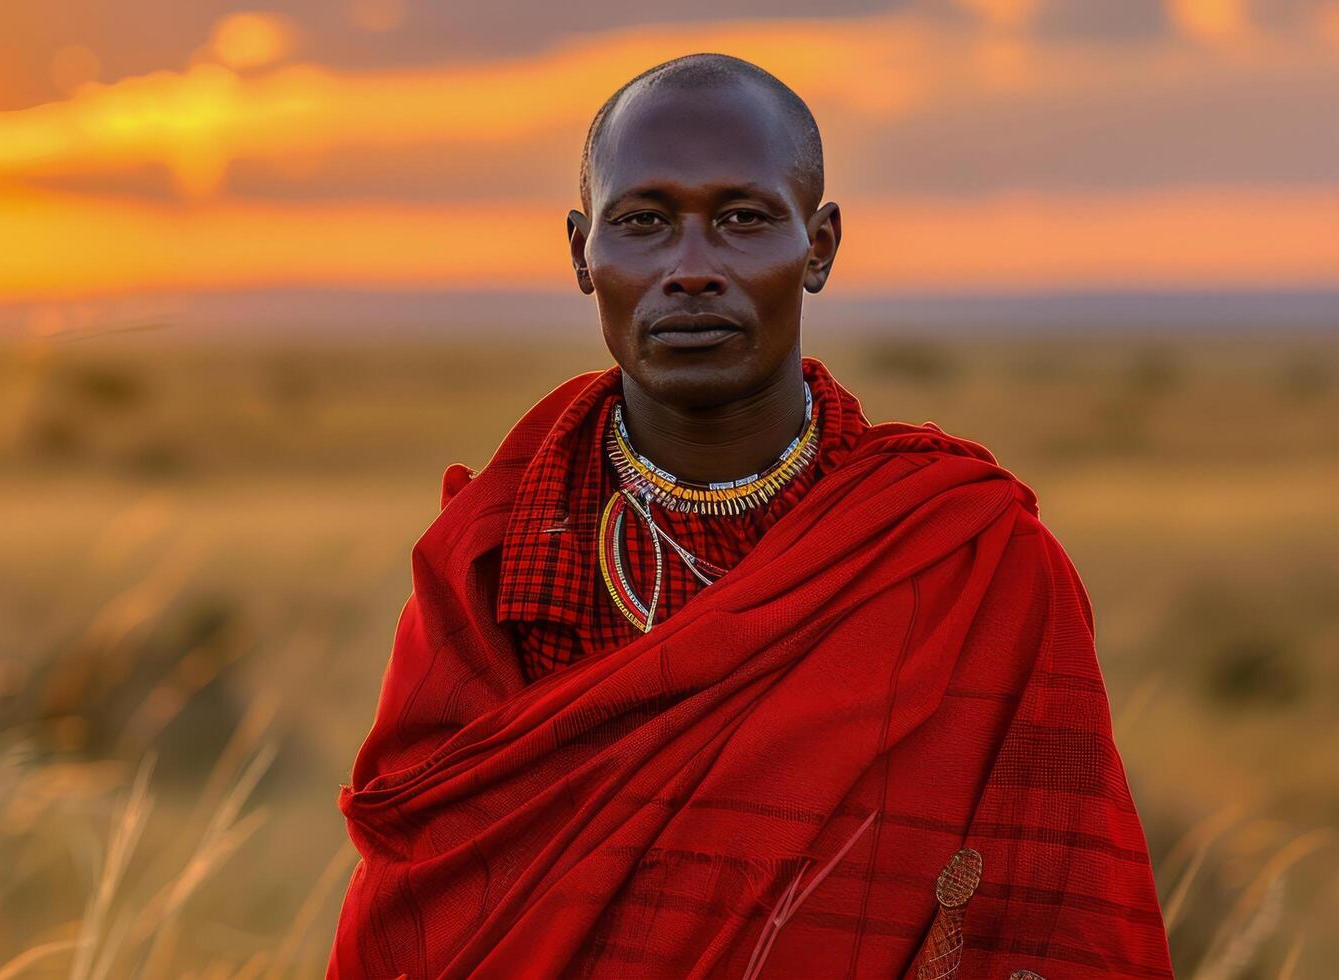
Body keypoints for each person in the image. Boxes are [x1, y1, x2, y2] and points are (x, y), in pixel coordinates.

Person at [327, 53, 1174, 979]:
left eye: (743, 219)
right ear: (581, 252)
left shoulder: (975, 562)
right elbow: (424, 918)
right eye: (643, 222)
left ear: (818, 246)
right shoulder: (494, 565)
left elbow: (1057, 920)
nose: (691, 270)